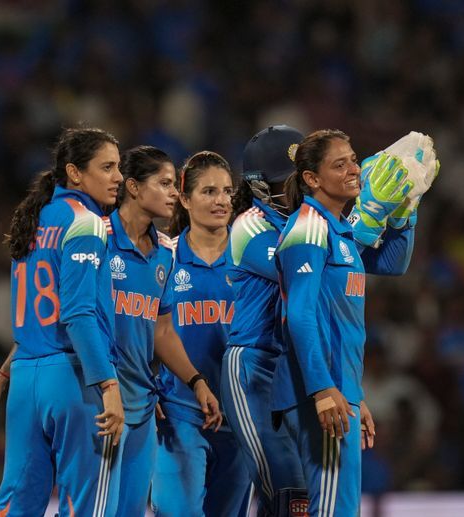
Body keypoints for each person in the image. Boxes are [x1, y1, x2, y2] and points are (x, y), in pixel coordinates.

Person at [273, 129, 417, 516]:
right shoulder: (309, 229)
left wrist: (406, 209)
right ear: (312, 178)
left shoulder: (338, 229)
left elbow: (393, 264)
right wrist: (323, 389)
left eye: (353, 159)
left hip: (339, 388)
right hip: (317, 391)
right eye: (340, 165)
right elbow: (299, 314)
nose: (354, 169)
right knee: (332, 509)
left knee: (341, 508)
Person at [0, 127, 125, 517]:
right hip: (73, 378)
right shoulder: (86, 222)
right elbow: (78, 313)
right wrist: (109, 385)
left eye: (118, 167)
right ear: (75, 173)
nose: (118, 177)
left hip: (25, 379)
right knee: (85, 506)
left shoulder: (32, 220)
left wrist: (1, 379)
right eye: (107, 167)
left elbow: (35, 318)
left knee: (16, 505)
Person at [105, 145, 222, 516]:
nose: (174, 192)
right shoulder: (97, 238)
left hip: (142, 405)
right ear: (134, 187)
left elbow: (162, 330)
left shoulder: (164, 254)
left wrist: (196, 381)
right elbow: (71, 318)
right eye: (166, 183)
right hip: (100, 402)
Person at [151, 150, 251, 516]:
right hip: (180, 412)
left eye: (226, 191)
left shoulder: (253, 257)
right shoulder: (165, 257)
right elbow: (142, 328)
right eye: (209, 191)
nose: (221, 200)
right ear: (185, 198)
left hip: (241, 415)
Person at [219, 125, 309, 517]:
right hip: (253, 368)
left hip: (295, 369)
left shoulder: (308, 222)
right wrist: (360, 223)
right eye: (288, 181)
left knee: (301, 494)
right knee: (285, 487)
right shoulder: (249, 225)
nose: (300, 188)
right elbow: (300, 271)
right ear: (260, 186)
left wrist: (397, 218)